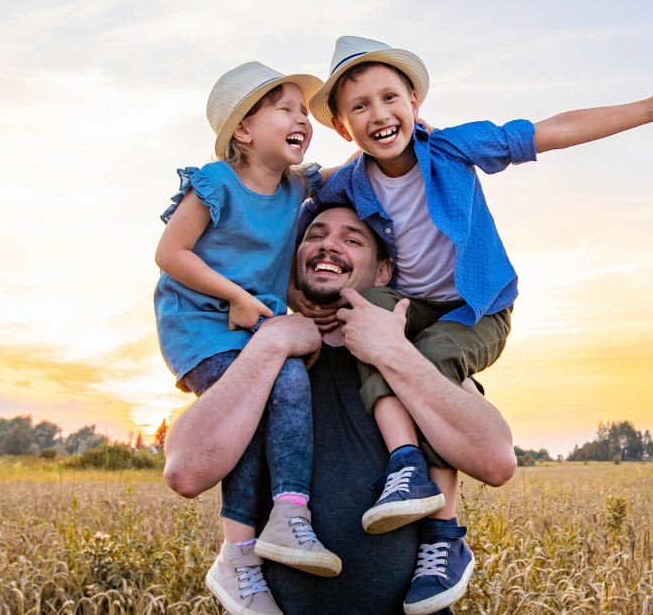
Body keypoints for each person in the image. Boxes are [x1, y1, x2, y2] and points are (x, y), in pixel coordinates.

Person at [295, 35, 653, 612]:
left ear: (413, 100)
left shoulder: (455, 150)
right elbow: (286, 213)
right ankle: (405, 465)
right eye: (359, 106)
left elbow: (550, 130)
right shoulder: (348, 182)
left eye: (389, 96)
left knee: (431, 364)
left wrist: (647, 109)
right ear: (343, 127)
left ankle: (443, 531)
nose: (378, 114)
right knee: (370, 331)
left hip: (476, 307)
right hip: (411, 303)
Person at [164, 204, 518, 615]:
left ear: (383, 273)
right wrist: (272, 344)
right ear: (293, 260)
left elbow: (496, 462)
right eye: (314, 236)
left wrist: (393, 352)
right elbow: (185, 472)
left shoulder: (419, 358)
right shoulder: (255, 358)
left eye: (352, 240)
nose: (329, 246)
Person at [153, 61, 340, 615]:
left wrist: (401, 130)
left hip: (253, 328)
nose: (302, 119)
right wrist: (234, 294)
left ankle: (283, 517)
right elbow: (170, 253)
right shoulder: (216, 184)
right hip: (199, 324)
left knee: (274, 389)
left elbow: (356, 167)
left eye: (305, 112)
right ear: (243, 130)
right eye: (286, 108)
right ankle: (241, 551)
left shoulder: (297, 187)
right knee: (260, 396)